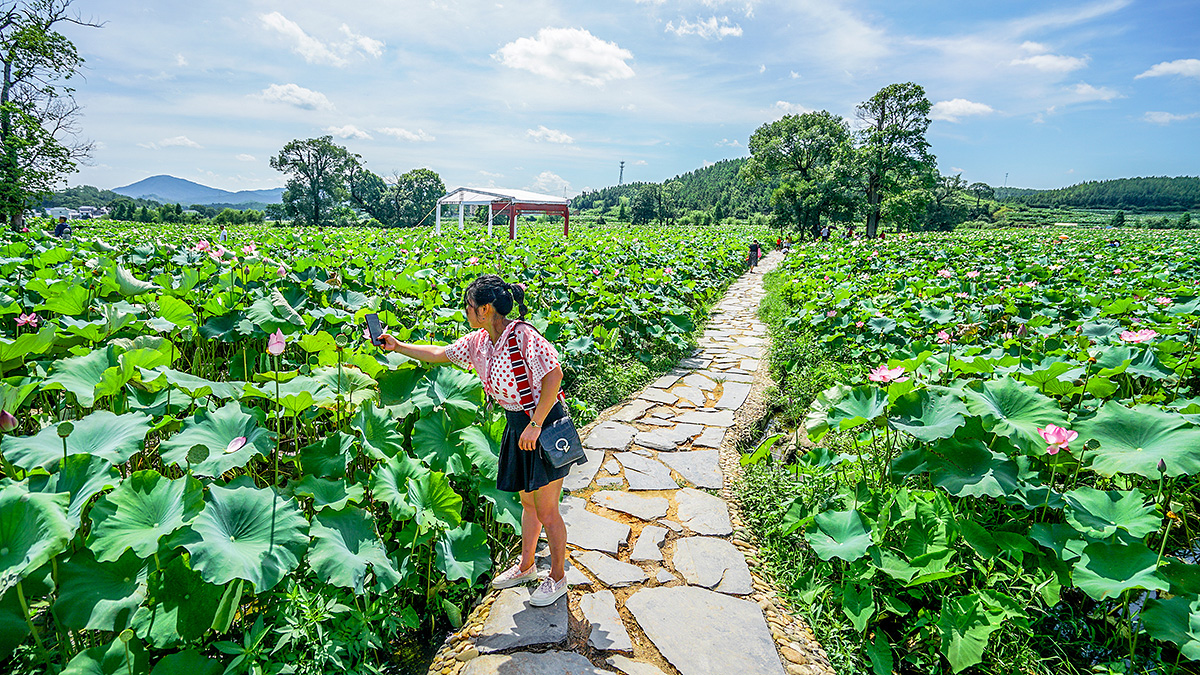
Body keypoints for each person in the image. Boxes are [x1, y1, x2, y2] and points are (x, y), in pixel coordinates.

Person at [377, 275, 572, 607]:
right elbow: (440, 353)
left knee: (548, 509)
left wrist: (536, 424)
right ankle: (526, 566)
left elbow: (554, 374)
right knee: (527, 504)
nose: (465, 312)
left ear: (485, 309)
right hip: (517, 425)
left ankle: (557, 577)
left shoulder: (523, 336)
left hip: (545, 423)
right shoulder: (480, 342)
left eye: (468, 307)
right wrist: (399, 346)